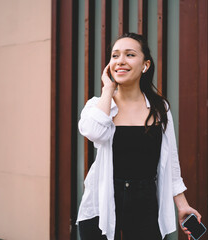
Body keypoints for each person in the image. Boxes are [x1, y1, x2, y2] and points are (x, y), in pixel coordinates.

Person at [76, 32, 201, 240]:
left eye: (130, 55)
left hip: (145, 201)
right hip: (104, 201)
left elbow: (170, 162)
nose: (120, 61)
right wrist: (108, 89)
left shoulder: (160, 107)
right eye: (115, 56)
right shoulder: (99, 105)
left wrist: (182, 205)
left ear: (145, 65)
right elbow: (93, 132)